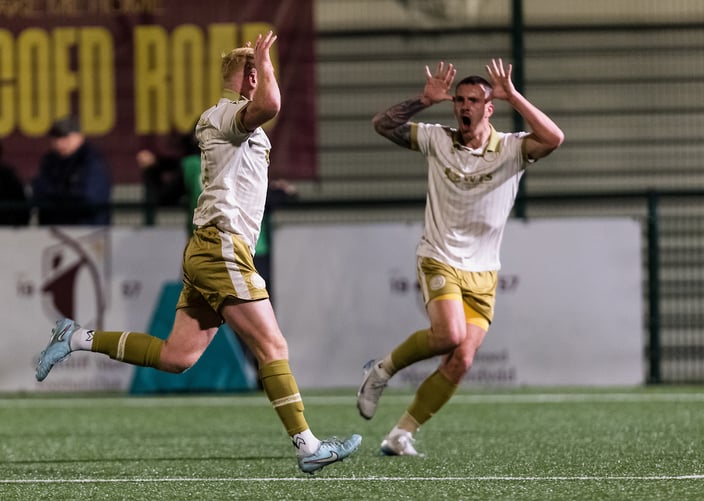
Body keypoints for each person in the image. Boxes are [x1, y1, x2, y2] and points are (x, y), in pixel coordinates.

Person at [35, 31, 361, 474]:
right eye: (256, 71)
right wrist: (266, 62)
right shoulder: (226, 114)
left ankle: (75, 338)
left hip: (212, 248)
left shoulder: (230, 119)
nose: (262, 77)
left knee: (177, 357)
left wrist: (259, 67)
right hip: (221, 247)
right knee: (272, 344)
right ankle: (308, 447)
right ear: (248, 77)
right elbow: (271, 105)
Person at [357, 59, 564, 456]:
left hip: (484, 271)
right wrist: (423, 99)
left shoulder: (511, 148)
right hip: (439, 257)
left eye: (474, 100)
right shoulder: (436, 139)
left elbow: (554, 138)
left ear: (489, 108)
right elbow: (381, 124)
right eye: (459, 100)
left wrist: (514, 95)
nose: (464, 107)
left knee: (461, 360)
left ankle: (401, 433)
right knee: (449, 335)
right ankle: (380, 371)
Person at [31, 116, 112, 225]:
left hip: (86, 232)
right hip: (53, 233)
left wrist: (57, 200)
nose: (60, 142)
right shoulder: (50, 161)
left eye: (65, 137)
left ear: (79, 137)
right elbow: (39, 194)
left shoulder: (91, 161)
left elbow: (90, 200)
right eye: (55, 137)